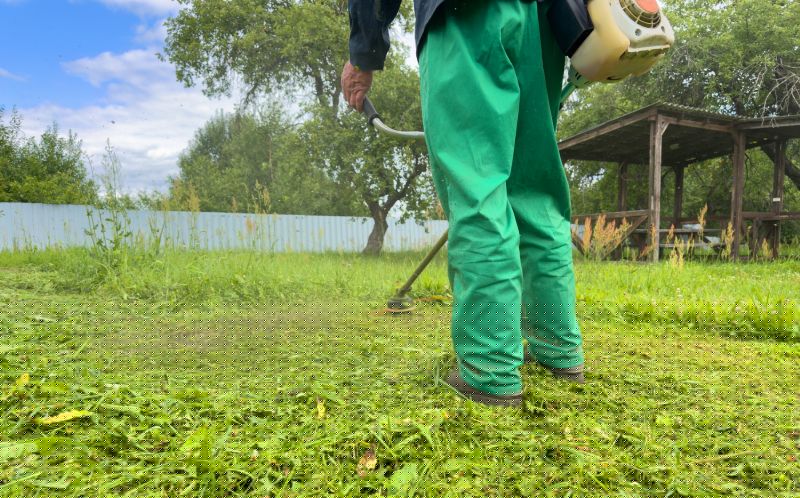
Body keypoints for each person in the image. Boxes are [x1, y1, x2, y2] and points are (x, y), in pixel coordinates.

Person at [342, 0, 585, 407]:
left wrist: (362, 54)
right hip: (547, 25)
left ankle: (490, 370)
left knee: (478, 185)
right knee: (535, 192)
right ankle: (558, 350)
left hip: (467, 15)